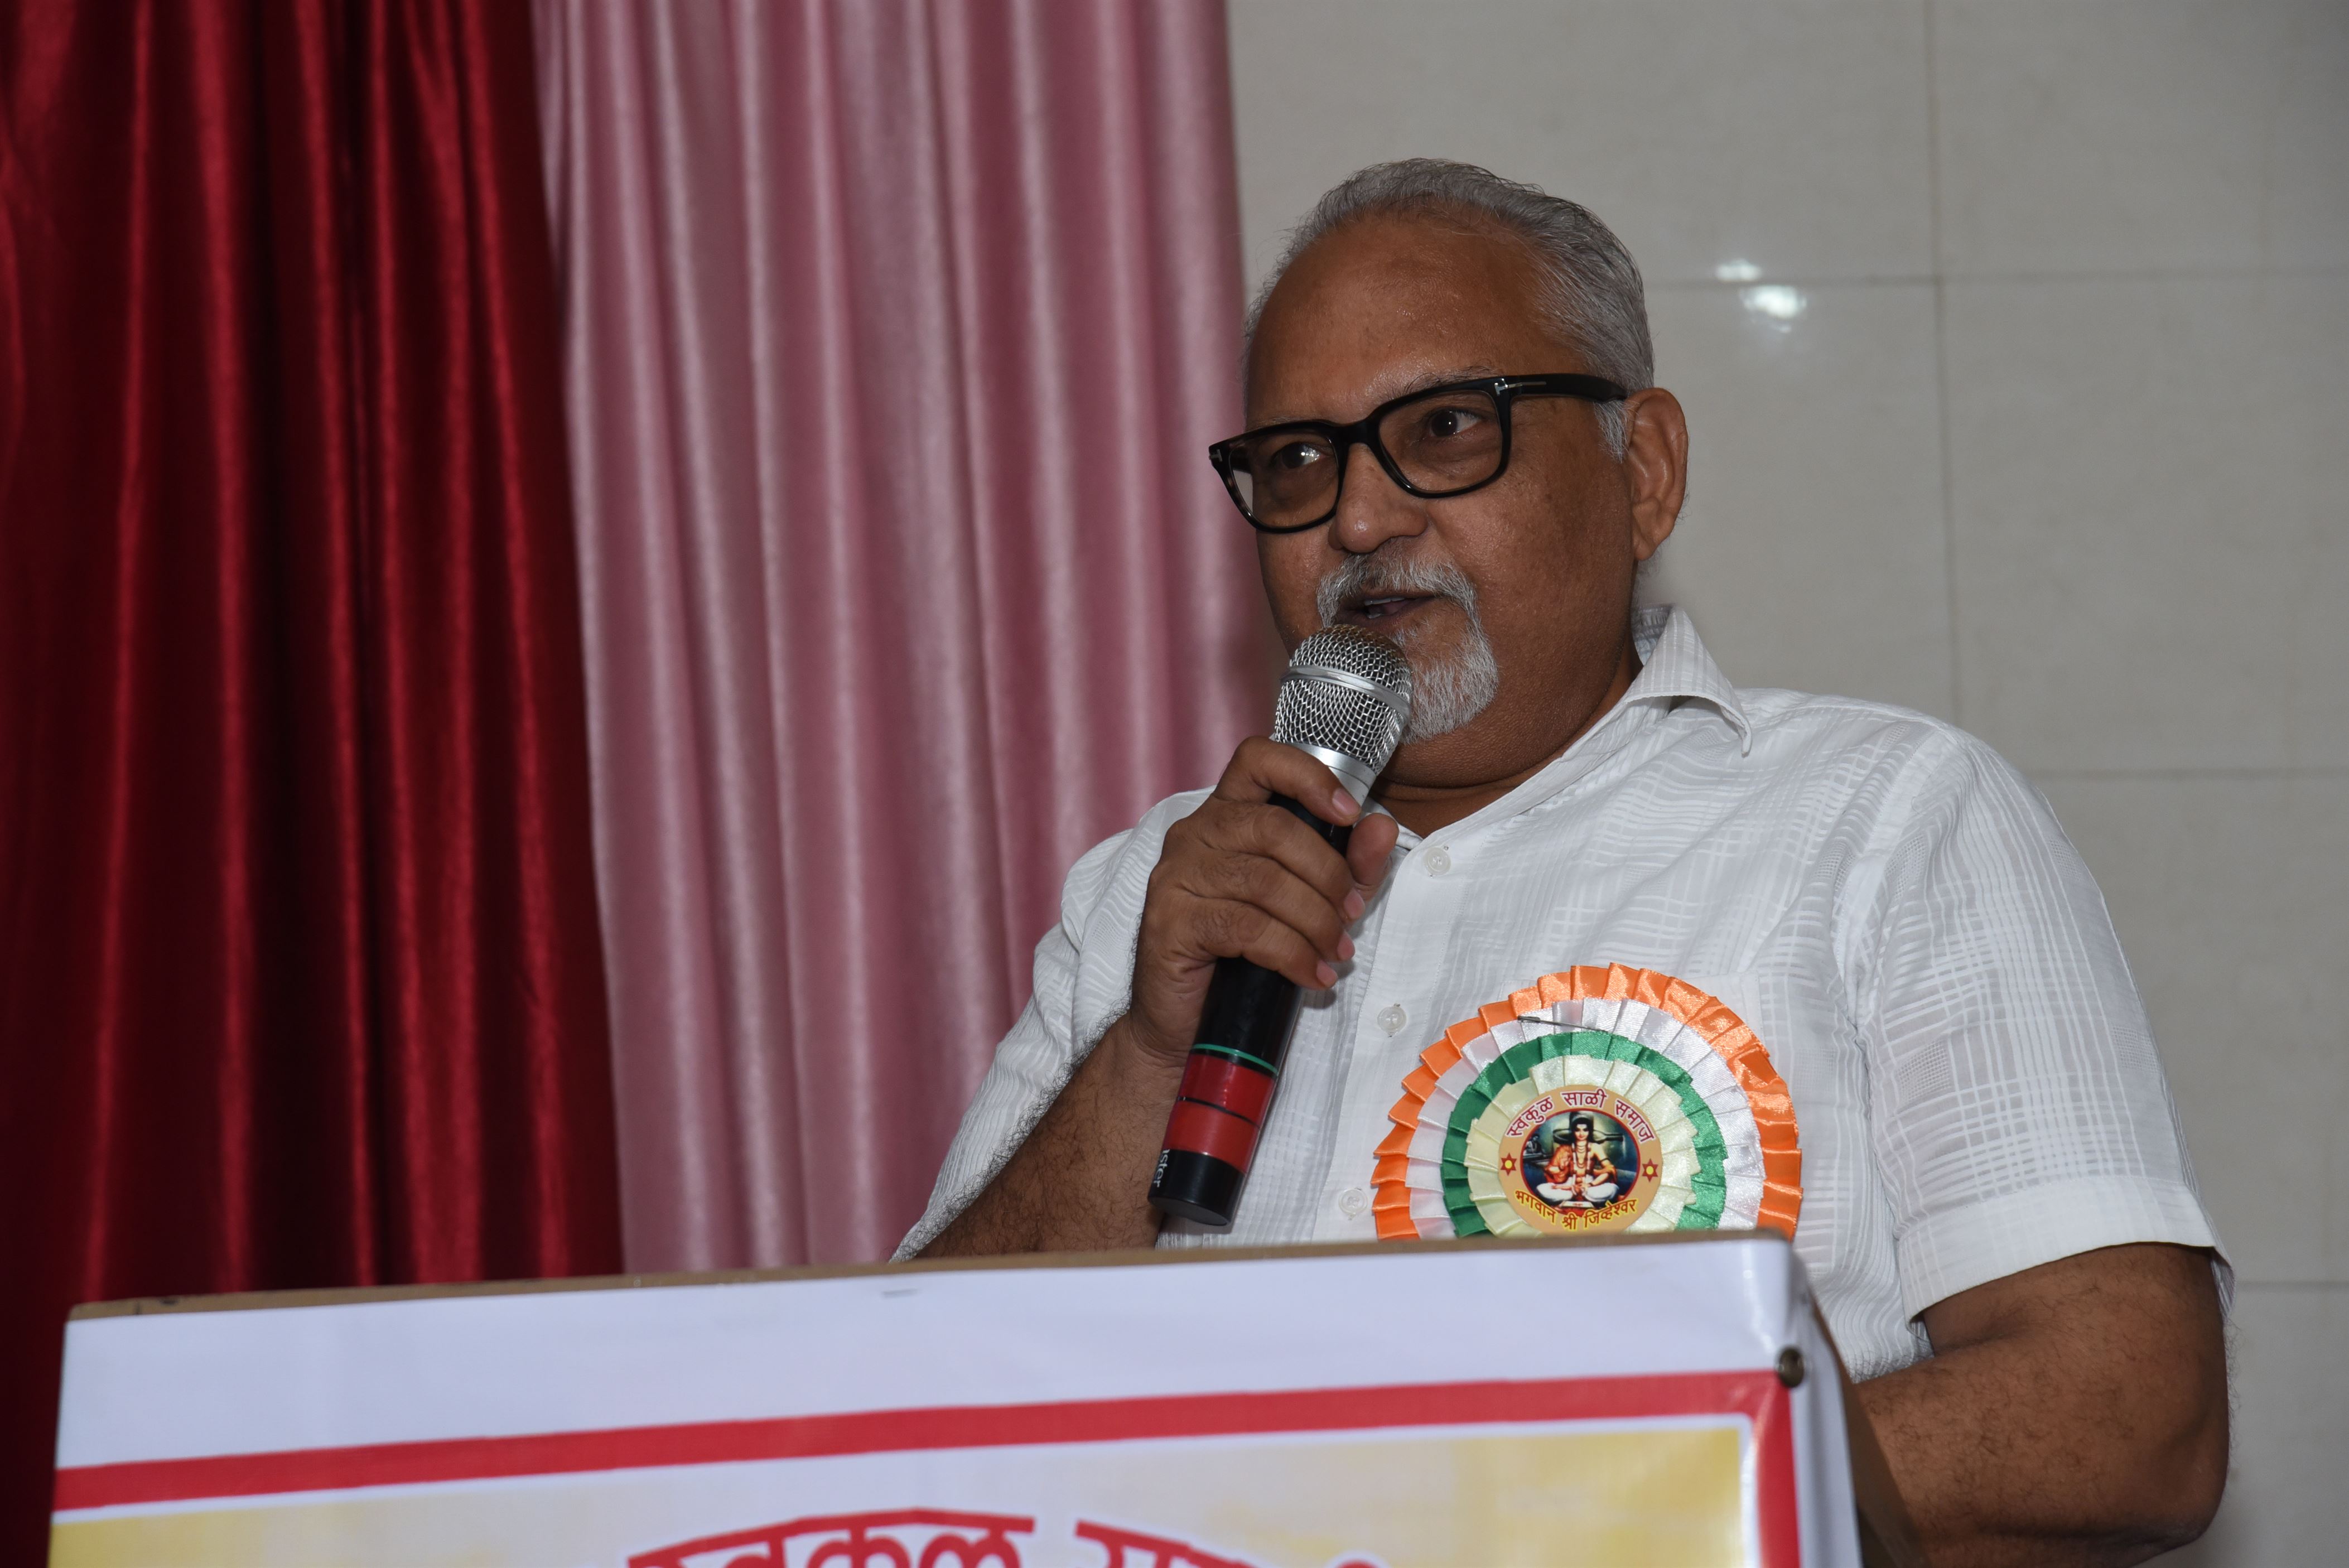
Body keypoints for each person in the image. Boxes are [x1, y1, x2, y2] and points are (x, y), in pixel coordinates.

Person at [901, 160, 2227, 1565]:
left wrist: (1487, 1497)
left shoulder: (1883, 818)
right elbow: (891, 1414)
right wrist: (1145, 1058)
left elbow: (2127, 1414)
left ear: (1640, 471)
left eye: (1442, 428)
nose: (1357, 517)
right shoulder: (1148, 892)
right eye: (1297, 459)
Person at [1537, 1116, 1617, 1208]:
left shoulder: (1595, 1147)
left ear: (1589, 1132)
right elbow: (1550, 1169)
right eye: (1578, 1130)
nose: (1581, 1134)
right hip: (1568, 1186)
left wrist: (1590, 1185)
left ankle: (1579, 1195)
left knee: (1613, 1189)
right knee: (1541, 1189)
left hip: (1590, 1187)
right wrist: (1562, 1168)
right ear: (1573, 1132)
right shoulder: (1565, 1148)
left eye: (1585, 1130)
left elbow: (1609, 1169)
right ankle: (1573, 1195)